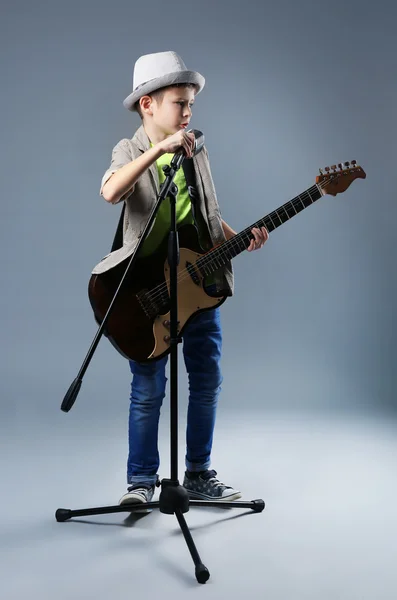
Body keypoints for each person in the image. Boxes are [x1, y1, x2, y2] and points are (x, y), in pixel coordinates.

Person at [93, 51, 268, 511]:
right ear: (147, 105)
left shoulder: (196, 148)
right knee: (149, 387)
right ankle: (140, 481)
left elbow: (205, 214)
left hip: (199, 284)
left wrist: (239, 237)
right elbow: (111, 191)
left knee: (206, 378)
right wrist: (158, 151)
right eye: (179, 102)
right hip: (148, 289)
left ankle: (197, 473)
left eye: (191, 103)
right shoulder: (130, 150)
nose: (188, 112)